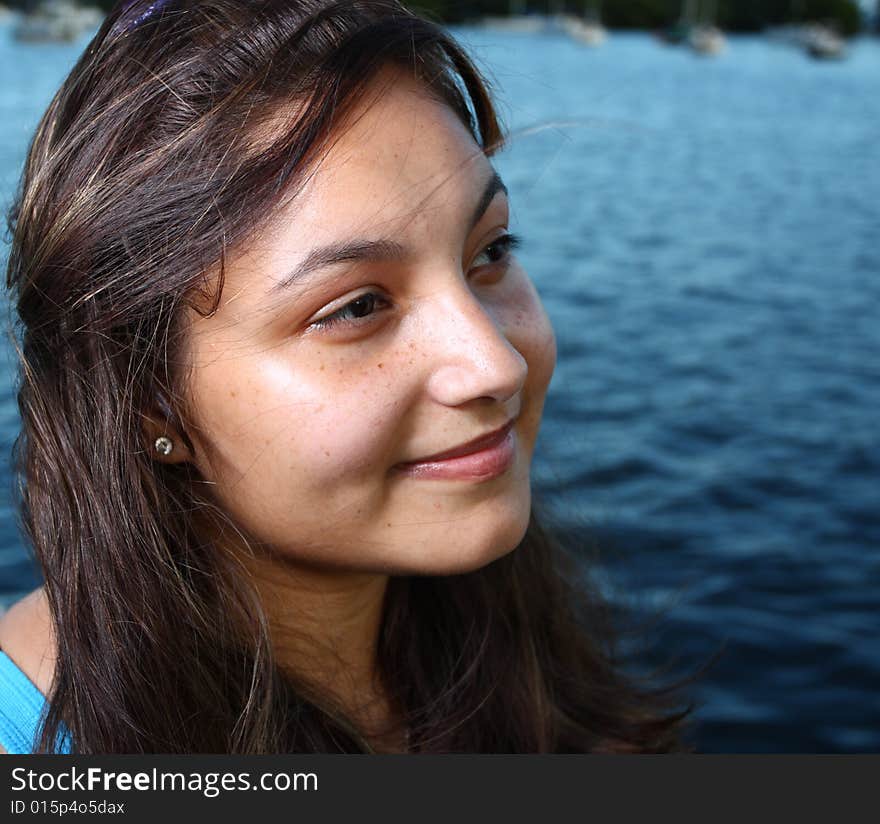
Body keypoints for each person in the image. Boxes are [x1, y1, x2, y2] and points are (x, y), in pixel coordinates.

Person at [0, 0, 692, 754]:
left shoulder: (518, 661)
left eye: (490, 253)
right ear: (148, 405)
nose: (497, 363)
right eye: (357, 306)